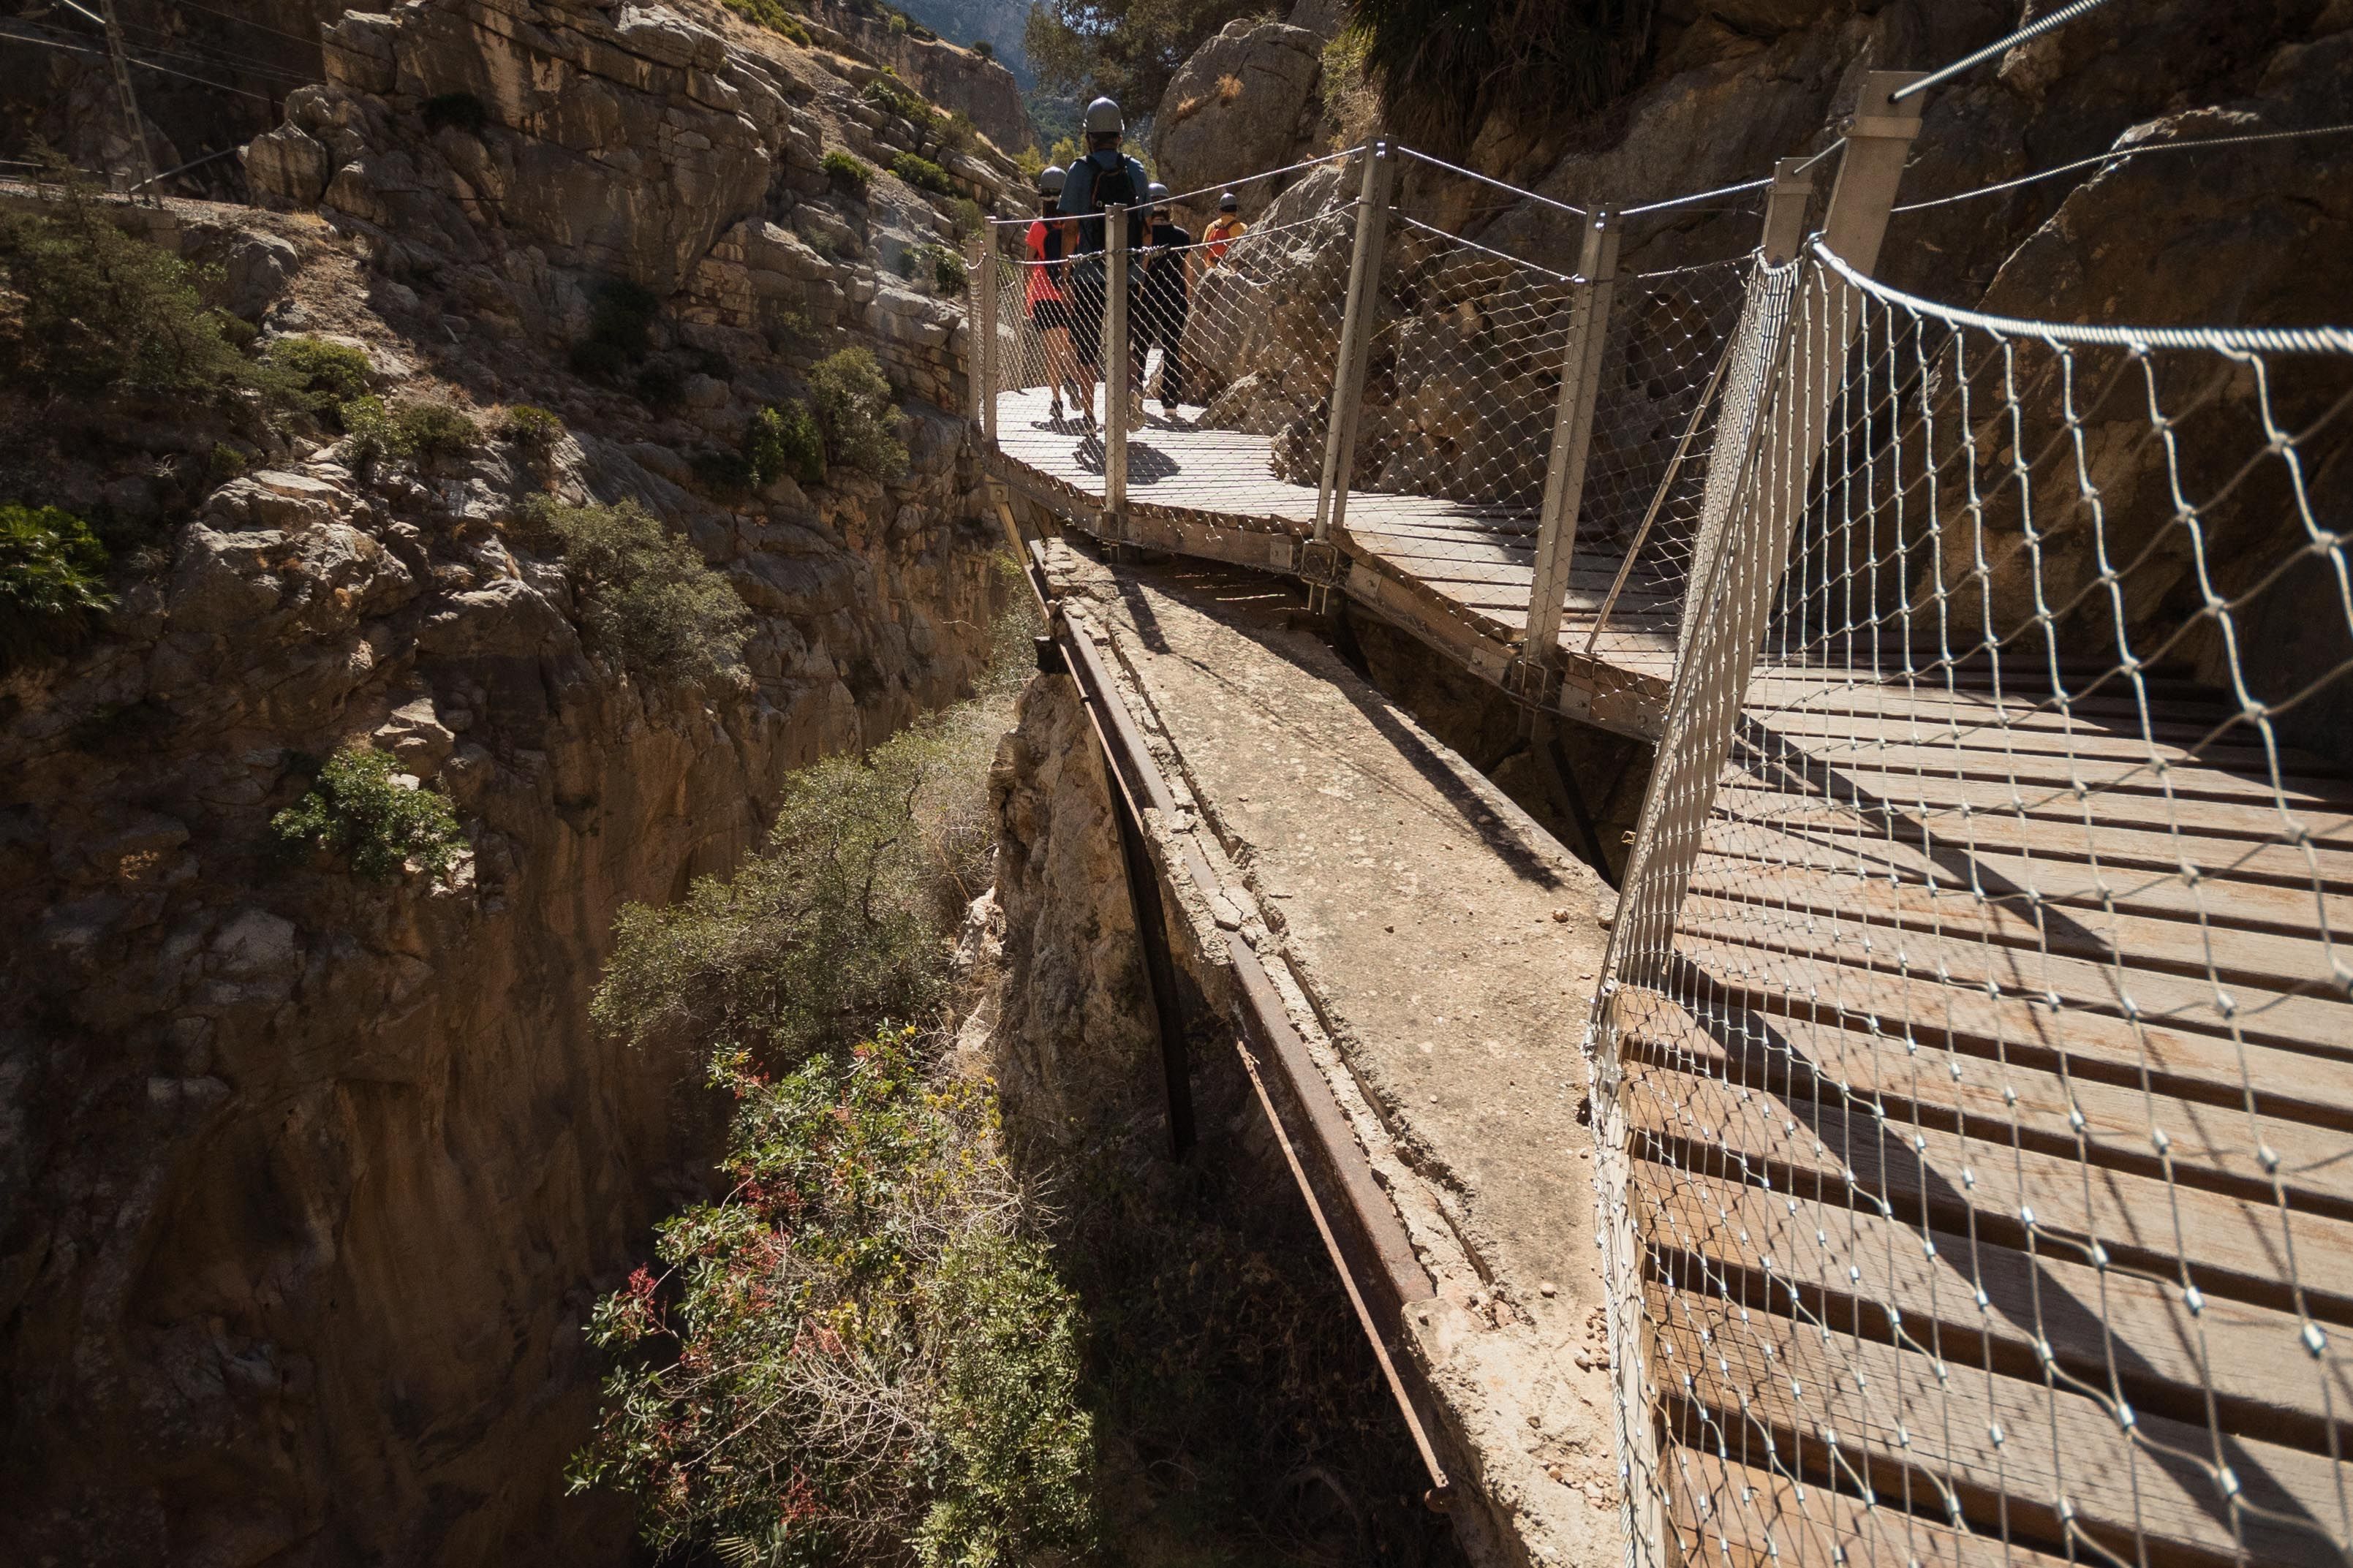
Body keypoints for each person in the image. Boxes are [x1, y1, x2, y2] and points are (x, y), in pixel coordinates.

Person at [1054, 96, 1150, 427]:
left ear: (1088, 136)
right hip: (1127, 270)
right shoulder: (1136, 170)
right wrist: (1140, 272)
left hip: (1088, 273)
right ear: (1120, 135)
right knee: (1124, 340)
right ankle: (1128, 394)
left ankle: (1091, 411)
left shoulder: (1080, 171)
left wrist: (1066, 273)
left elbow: (1069, 228)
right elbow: (1147, 227)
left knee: (1086, 342)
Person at [1024, 164, 1086, 426]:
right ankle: (1073, 380)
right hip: (1069, 292)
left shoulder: (1037, 227)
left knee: (1051, 351)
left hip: (1042, 294)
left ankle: (1056, 400)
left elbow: (1028, 265)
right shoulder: (1076, 224)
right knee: (1070, 346)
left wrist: (1025, 297)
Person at [1135, 181, 1193, 418]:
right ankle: (1170, 403)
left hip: (1148, 297)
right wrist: (1188, 298)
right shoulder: (1182, 236)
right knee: (1172, 349)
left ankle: (1135, 394)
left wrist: (1136, 296)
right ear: (1168, 208)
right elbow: (1188, 270)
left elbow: (1141, 268)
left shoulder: (1144, 235)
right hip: (1175, 297)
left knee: (1141, 348)